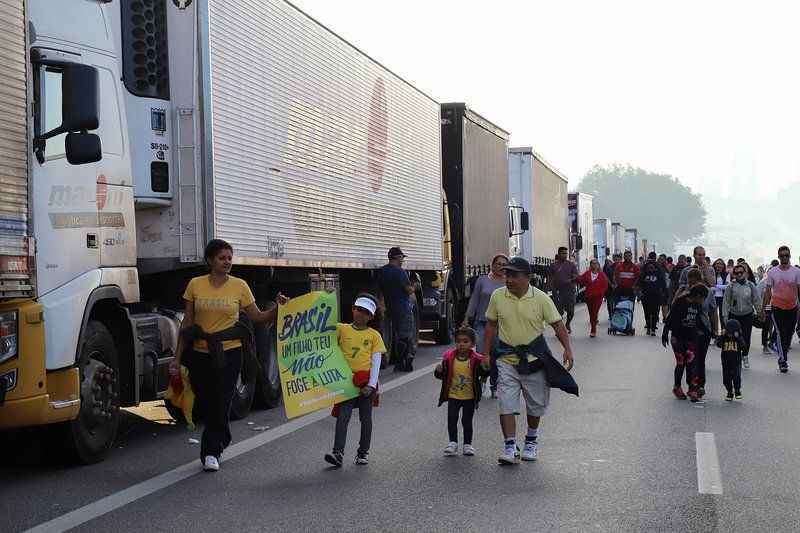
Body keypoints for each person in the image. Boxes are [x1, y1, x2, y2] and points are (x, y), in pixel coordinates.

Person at [172, 239, 280, 472]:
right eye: (222, 258)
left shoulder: (240, 286)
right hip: (200, 353)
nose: (227, 262)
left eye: (230, 258)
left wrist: (278, 310)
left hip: (230, 353)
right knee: (207, 402)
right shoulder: (195, 284)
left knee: (221, 401)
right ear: (210, 260)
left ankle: (211, 452)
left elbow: (258, 317)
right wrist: (177, 358)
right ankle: (224, 434)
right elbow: (187, 324)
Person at [482, 256, 576, 465]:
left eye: (514, 275)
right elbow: (490, 325)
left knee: (535, 406)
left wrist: (568, 349)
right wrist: (486, 353)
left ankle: (531, 441)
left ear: (528, 278)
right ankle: (509, 446)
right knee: (505, 403)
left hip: (535, 359)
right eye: (507, 274)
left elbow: (558, 325)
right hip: (507, 359)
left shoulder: (541, 298)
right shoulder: (498, 296)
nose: (509, 279)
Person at [324, 294, 387, 467]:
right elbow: (319, 326)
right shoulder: (341, 329)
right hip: (346, 382)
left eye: (366, 312)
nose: (361, 314)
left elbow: (376, 363)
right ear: (352, 309)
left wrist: (371, 385)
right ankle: (337, 453)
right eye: (358, 310)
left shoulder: (374, 335)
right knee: (342, 418)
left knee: (365, 419)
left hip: (366, 383)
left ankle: (363, 452)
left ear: (371, 316)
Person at [435, 327, 490, 457]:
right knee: (452, 419)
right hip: (453, 396)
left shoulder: (476, 359)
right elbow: (442, 375)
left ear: (472, 344)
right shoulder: (449, 358)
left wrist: (485, 367)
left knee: (467, 421)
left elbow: (484, 373)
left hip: (469, 397)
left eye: (466, 341)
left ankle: (467, 444)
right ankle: (452, 443)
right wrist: (438, 371)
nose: (462, 344)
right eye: (459, 341)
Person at [462, 254, 508, 396]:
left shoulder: (508, 282)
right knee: (482, 353)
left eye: (504, 264)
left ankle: (494, 386)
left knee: (496, 356)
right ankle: (482, 379)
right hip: (482, 323)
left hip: (501, 325)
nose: (501, 267)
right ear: (492, 265)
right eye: (498, 264)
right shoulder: (482, 280)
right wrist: (466, 318)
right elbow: (474, 300)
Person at [662, 284, 711, 401]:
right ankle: (677, 387)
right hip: (677, 337)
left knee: (692, 363)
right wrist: (665, 333)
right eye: (703, 298)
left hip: (691, 337)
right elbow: (670, 318)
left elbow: (699, 320)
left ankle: (692, 389)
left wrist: (708, 331)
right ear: (698, 295)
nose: (703, 301)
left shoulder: (697, 305)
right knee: (681, 363)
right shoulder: (680, 302)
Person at [763, 246, 800, 373]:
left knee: (788, 334)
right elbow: (768, 291)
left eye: (786, 255)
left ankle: (782, 354)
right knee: (780, 333)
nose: (784, 257)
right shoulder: (773, 272)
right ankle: (782, 360)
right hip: (777, 307)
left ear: (789, 256)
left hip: (792, 308)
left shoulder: (796, 272)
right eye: (782, 255)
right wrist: (763, 308)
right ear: (778, 257)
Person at [378, 247, 416, 372]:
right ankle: (403, 363)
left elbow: (380, 290)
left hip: (390, 308)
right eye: (401, 258)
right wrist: (415, 286)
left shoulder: (382, 271)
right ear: (397, 258)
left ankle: (398, 363)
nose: (402, 261)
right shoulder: (400, 272)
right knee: (405, 336)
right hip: (403, 307)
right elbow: (408, 290)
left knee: (397, 334)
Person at [722, 263, 762, 369]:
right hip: (734, 315)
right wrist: (725, 317)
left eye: (741, 272)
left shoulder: (751, 285)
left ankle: (745, 356)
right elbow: (726, 302)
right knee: (733, 338)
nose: (739, 274)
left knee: (746, 338)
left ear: (745, 273)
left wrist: (760, 313)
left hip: (747, 315)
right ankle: (735, 358)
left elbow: (756, 300)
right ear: (734, 274)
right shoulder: (730, 286)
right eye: (736, 273)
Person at [548, 246, 578, 334]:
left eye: (566, 253)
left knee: (571, 311)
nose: (565, 255)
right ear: (559, 254)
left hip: (569, 291)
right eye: (563, 253)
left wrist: (572, 279)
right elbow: (549, 278)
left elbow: (576, 275)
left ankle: (568, 324)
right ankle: (560, 329)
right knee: (558, 312)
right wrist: (548, 290)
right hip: (557, 291)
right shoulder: (553, 265)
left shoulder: (571, 265)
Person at [577, 258, 610, 338]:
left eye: (595, 263)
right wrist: (573, 278)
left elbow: (605, 285)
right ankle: (593, 324)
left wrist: (602, 293)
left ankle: (593, 329)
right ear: (590, 265)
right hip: (589, 297)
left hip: (598, 298)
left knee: (595, 312)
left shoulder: (602, 274)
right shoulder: (587, 273)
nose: (594, 265)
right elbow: (580, 279)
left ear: (598, 265)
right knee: (591, 313)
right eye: (592, 263)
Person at [717, 319, 745, 401]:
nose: (730, 335)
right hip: (726, 362)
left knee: (736, 377)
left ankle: (737, 390)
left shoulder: (738, 338)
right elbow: (718, 344)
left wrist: (738, 337)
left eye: (731, 333)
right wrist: (722, 335)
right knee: (726, 378)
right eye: (728, 333)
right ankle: (729, 391)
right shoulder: (724, 338)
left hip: (736, 362)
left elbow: (744, 346)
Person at [639, 256, 667, 336]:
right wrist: (639, 293)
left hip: (656, 296)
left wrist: (663, 293)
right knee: (647, 312)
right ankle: (648, 327)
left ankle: (653, 329)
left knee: (654, 313)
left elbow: (663, 285)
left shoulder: (659, 274)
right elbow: (639, 284)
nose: (650, 268)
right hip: (645, 296)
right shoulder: (643, 274)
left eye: (652, 267)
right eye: (649, 267)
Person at [757, 260, 779, 354]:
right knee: (766, 327)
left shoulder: (778, 281)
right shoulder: (763, 282)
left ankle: (772, 342)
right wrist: (759, 309)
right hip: (766, 308)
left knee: (778, 327)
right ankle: (765, 345)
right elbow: (757, 295)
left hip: (777, 307)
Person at [712, 258, 729, 326]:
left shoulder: (727, 274)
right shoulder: (712, 274)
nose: (719, 265)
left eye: (721, 263)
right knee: (713, 315)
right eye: (717, 263)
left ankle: (723, 332)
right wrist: (721, 287)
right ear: (715, 265)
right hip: (713, 297)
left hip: (723, 297)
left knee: (723, 316)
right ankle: (714, 332)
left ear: (723, 265)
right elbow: (710, 288)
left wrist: (715, 286)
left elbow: (727, 287)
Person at [603, 254, 620, 319]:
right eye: (615, 259)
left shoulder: (622, 267)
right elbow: (606, 277)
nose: (617, 261)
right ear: (613, 260)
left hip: (619, 288)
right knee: (610, 302)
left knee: (617, 302)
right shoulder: (609, 268)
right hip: (610, 288)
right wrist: (611, 284)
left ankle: (616, 314)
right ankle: (611, 314)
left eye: (618, 260)